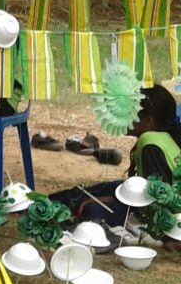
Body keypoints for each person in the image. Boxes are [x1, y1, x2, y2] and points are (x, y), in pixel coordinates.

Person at [50, 85, 181, 225]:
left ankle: (48, 212)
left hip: (167, 216)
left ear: (148, 121)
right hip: (156, 202)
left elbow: (157, 199)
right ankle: (45, 206)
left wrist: (111, 200)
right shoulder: (165, 136)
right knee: (94, 191)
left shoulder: (150, 141)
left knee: (93, 210)